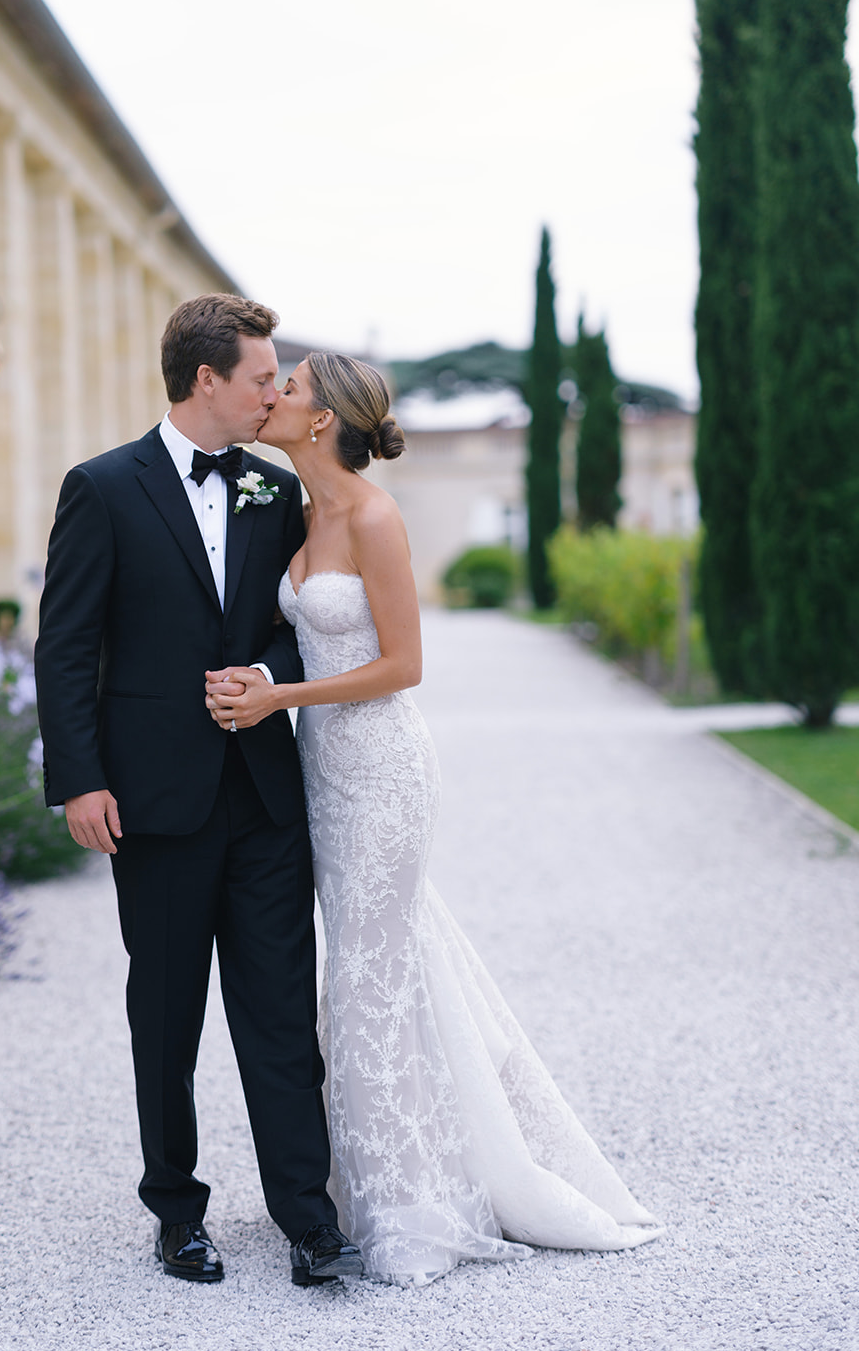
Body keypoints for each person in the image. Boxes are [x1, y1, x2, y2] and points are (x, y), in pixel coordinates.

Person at [205, 351, 663, 1287]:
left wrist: (278, 692)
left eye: (286, 387)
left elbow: (404, 664)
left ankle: (411, 1201)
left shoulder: (373, 515)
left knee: (370, 976)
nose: (271, 397)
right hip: (323, 772)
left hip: (383, 769)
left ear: (323, 418)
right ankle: (366, 1180)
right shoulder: (297, 512)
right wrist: (259, 680)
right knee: (381, 967)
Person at [34, 296, 363, 1288]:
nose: (276, 389)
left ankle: (309, 1219)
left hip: (265, 798)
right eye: (263, 376)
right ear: (207, 378)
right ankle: (175, 1213)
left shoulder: (273, 491)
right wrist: (78, 779)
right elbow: (65, 645)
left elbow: (285, 624)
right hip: (153, 802)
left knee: (276, 1016)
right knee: (167, 1019)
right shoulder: (101, 488)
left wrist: (267, 676)